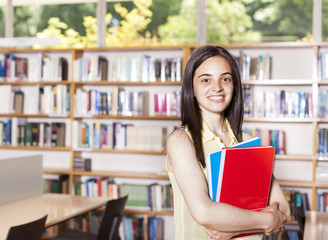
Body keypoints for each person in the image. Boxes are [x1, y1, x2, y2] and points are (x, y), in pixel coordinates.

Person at [166, 45, 292, 240]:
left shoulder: (249, 141)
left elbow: (283, 208)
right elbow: (204, 212)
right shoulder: (181, 141)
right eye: (206, 79)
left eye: (225, 78)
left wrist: (231, 230)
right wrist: (266, 221)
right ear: (192, 88)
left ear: (234, 86)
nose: (217, 87)